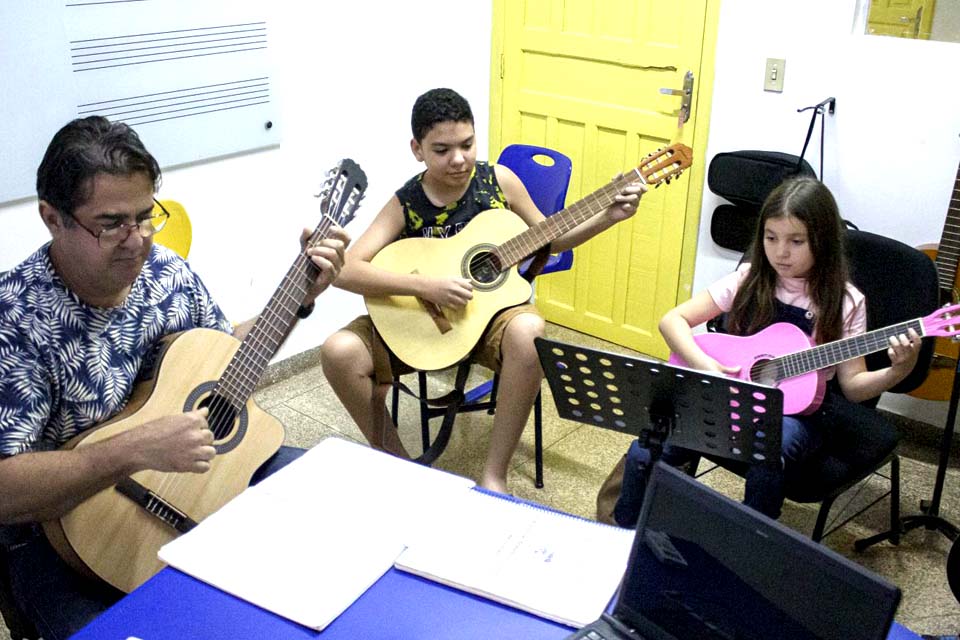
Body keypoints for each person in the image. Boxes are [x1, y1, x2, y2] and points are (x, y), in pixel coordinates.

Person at [0, 115, 349, 639]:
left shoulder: (167, 272)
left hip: (193, 483)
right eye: (111, 223)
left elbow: (222, 359)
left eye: (146, 216)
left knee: (337, 511)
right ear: (53, 218)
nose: (137, 240)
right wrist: (133, 450)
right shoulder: (15, 318)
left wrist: (298, 297)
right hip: (65, 538)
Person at [321, 87, 645, 493]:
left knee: (529, 332)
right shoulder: (407, 202)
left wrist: (608, 217)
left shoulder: (499, 182)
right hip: (426, 322)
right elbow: (345, 269)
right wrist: (424, 286)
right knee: (338, 351)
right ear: (417, 149)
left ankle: (494, 476)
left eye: (467, 144)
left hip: (491, 318)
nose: (458, 159)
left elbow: (549, 239)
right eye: (442, 150)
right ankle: (399, 465)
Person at [603, 176, 921, 526]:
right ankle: (625, 530)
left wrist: (898, 370)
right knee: (645, 449)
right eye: (771, 238)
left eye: (796, 241)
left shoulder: (844, 301)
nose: (780, 252)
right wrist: (705, 365)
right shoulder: (749, 278)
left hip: (801, 412)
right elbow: (672, 320)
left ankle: (751, 539)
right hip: (731, 393)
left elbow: (854, 387)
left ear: (823, 240)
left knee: (767, 450)